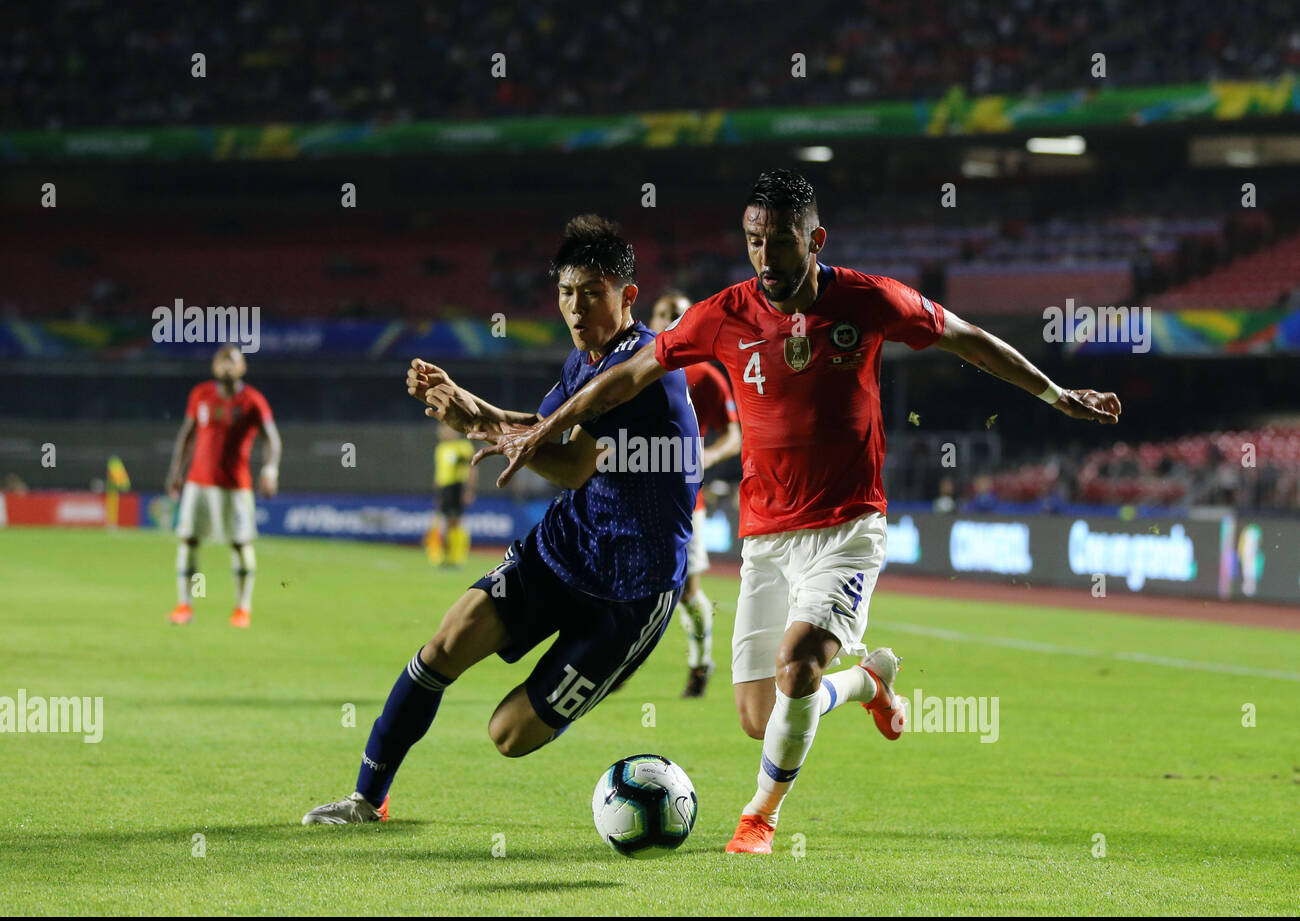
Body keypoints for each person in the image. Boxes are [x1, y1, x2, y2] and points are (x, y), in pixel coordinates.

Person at [477, 170, 1122, 854]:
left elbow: (965, 337)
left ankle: (760, 815)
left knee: (796, 664)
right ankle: (868, 681)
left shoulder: (868, 300)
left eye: (779, 242)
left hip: (847, 529)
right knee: (762, 716)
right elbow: (626, 378)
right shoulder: (724, 314)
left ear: (814, 240)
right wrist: (547, 428)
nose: (764, 257)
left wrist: (1055, 393)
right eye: (754, 241)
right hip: (767, 537)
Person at [303, 215, 699, 825]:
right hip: (567, 550)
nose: (574, 307)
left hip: (632, 590)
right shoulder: (584, 361)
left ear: (627, 296)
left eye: (591, 292)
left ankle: (610, 701)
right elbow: (535, 427)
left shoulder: (644, 372)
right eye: (566, 292)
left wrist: (478, 425)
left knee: (509, 733)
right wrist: (473, 404)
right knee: (447, 641)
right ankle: (365, 798)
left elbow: (569, 466)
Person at [649, 290, 743, 698]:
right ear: (650, 319)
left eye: (678, 314)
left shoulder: (705, 375)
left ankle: (700, 662)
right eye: (662, 313)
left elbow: (734, 435)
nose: (670, 318)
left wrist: (708, 454)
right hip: (631, 497)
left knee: (687, 591)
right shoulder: (634, 369)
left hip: (685, 500)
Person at [165, 346, 280, 628]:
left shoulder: (252, 400)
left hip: (234, 487)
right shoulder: (200, 394)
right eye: (222, 360)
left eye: (234, 360)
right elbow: (187, 434)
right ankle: (185, 605)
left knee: (240, 544)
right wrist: (175, 472)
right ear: (214, 367)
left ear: (243, 368)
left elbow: (272, 439)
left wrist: (270, 470)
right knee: (189, 540)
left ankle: (242, 608)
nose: (227, 365)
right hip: (197, 484)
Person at [425, 424, 477, 567]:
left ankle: (458, 557)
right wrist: (438, 493)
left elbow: (471, 469)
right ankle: (447, 557)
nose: (443, 432)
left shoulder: (463, 446)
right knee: (446, 522)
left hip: (457, 486)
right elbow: (439, 472)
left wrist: (469, 491)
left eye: (446, 429)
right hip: (444, 488)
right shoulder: (440, 448)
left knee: (456, 522)